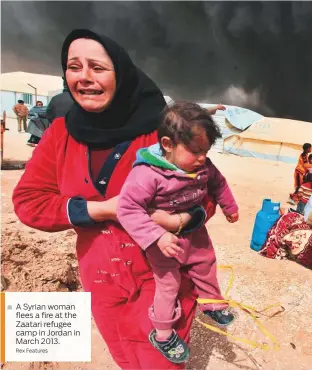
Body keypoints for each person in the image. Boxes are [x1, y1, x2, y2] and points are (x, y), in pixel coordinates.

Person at [12, 29, 221, 370]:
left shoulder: (162, 135)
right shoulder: (60, 134)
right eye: (74, 66)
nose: (84, 77)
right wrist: (101, 210)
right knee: (125, 358)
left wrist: (177, 220)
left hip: (161, 277)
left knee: (157, 363)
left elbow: (208, 196)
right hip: (100, 279)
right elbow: (29, 202)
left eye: (97, 67)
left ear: (121, 73)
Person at [117, 102, 239, 363]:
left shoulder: (203, 168)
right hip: (162, 241)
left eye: (206, 150)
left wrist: (230, 207)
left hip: (193, 232)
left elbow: (219, 183)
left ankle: (211, 302)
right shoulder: (147, 174)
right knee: (168, 283)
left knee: (205, 261)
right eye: (196, 151)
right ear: (167, 144)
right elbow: (127, 208)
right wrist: (157, 235)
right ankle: (162, 333)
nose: (202, 158)